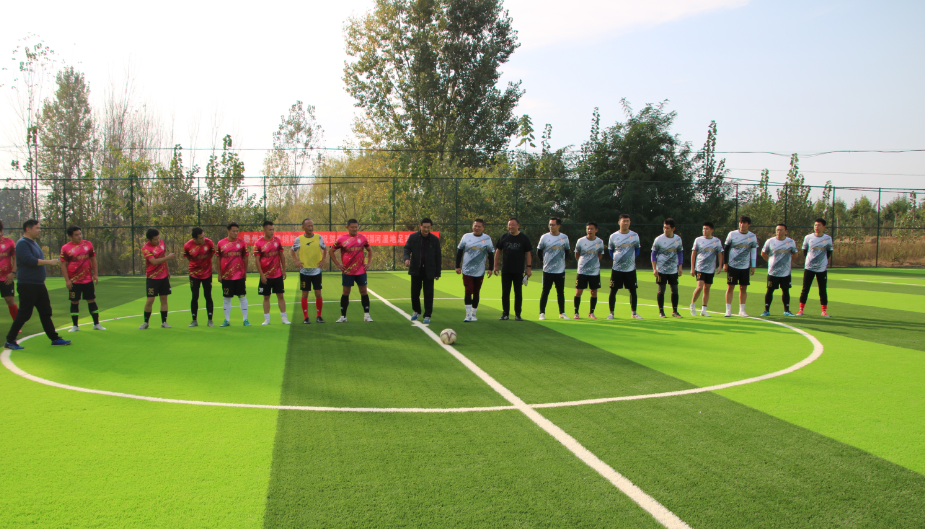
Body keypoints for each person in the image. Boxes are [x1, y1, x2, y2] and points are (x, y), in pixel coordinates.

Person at [4, 220, 70, 349]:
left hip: (39, 284)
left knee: (45, 312)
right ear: (28, 229)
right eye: (37, 228)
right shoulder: (22, 243)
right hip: (28, 284)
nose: (40, 230)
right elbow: (30, 260)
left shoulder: (33, 243)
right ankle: (10, 340)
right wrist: (49, 262)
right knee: (25, 314)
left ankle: (54, 338)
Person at [59, 226, 105, 332]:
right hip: (74, 280)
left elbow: (93, 259)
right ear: (70, 237)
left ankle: (96, 324)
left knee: (91, 300)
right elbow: (63, 265)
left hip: (88, 279)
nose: (79, 236)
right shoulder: (65, 248)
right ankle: (75, 326)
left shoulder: (88, 244)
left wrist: (95, 274)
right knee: (74, 301)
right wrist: (67, 280)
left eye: (80, 233)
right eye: (76, 235)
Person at [330, 219, 374, 323]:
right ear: (347, 227)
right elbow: (331, 251)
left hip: (361, 270)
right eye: (352, 227)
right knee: (346, 292)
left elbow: (369, 250)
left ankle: (367, 316)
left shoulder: (362, 238)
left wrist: (368, 263)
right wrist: (338, 264)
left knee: (363, 292)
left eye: (356, 227)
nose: (354, 229)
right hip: (347, 271)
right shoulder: (341, 239)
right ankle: (343, 316)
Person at [403, 218, 442, 324]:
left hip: (429, 270)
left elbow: (438, 256)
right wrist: (406, 259)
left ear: (431, 227)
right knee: (415, 293)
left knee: (428, 293)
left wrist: (438, 272)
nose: (426, 229)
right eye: (424, 227)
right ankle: (417, 311)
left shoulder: (434, 239)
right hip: (416, 269)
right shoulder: (413, 237)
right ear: (420, 226)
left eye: (428, 227)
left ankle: (427, 315)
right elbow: (407, 249)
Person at [493, 217, 532, 321]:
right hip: (506, 270)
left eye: (513, 224)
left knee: (518, 293)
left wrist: (528, 268)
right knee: (505, 292)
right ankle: (505, 314)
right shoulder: (504, 237)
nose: (510, 227)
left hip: (518, 270)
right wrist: (495, 266)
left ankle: (518, 314)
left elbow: (528, 253)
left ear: (518, 226)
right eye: (509, 225)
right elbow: (498, 251)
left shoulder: (524, 238)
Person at [456, 219, 494, 322]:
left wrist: (490, 268)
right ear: (472, 226)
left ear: (483, 228)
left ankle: (473, 314)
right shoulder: (466, 236)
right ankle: (467, 314)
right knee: (468, 290)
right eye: (475, 226)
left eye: (479, 226)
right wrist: (457, 266)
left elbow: (491, 253)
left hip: (479, 270)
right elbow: (460, 250)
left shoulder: (487, 238)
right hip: (467, 269)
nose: (477, 228)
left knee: (476, 291)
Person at [290, 218, 326, 324]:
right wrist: (296, 261)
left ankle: (319, 316)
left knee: (318, 293)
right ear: (303, 227)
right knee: (305, 294)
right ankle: (306, 317)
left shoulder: (318, 237)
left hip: (316, 270)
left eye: (312, 225)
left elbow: (325, 248)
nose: (311, 228)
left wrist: (323, 260)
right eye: (308, 226)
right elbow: (292, 250)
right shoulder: (299, 239)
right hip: (304, 271)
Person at [607, 214, 642, 320]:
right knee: (613, 290)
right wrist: (616, 259)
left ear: (630, 222)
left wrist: (631, 259)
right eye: (623, 221)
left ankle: (634, 313)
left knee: (633, 291)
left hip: (630, 269)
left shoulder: (634, 235)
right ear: (619, 222)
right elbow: (610, 250)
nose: (625, 223)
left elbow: (637, 249)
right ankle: (611, 313)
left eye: (627, 221)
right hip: (617, 269)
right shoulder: (613, 236)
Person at [255, 220, 290, 325]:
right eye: (270, 230)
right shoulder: (258, 243)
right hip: (266, 276)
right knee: (266, 297)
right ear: (264, 230)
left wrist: (283, 270)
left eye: (273, 229)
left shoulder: (277, 241)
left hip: (277, 274)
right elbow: (257, 260)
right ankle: (267, 319)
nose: (272, 231)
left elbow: (281, 256)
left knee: (280, 296)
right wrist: (262, 275)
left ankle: (284, 318)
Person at [139, 228, 175, 329]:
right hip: (152, 278)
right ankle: (146, 322)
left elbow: (163, 257)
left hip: (163, 276)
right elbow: (154, 262)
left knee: (164, 299)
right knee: (150, 300)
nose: (158, 240)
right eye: (155, 239)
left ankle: (164, 322)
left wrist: (167, 271)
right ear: (149, 240)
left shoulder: (161, 243)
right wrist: (168, 257)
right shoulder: (146, 248)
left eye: (158, 238)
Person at [761, 223, 800, 317]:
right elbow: (763, 253)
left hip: (785, 272)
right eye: (777, 230)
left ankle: (787, 310)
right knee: (770, 290)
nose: (779, 232)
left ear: (786, 231)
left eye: (781, 230)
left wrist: (787, 262)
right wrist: (770, 262)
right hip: (772, 272)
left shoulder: (790, 242)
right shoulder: (770, 241)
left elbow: (795, 254)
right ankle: (766, 310)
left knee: (786, 290)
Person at [216, 222, 251, 327]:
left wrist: (244, 272)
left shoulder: (242, 243)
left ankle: (245, 320)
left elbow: (246, 258)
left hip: (239, 275)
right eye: (233, 231)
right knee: (226, 298)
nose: (236, 233)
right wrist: (219, 274)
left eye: (237, 231)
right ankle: (227, 320)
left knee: (242, 297)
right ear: (228, 231)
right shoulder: (221, 243)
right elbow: (218, 259)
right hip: (226, 276)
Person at [798, 218, 834, 317]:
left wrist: (822, 261)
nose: (816, 227)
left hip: (821, 268)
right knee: (805, 289)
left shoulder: (828, 238)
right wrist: (811, 261)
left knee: (822, 290)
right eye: (815, 225)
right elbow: (805, 251)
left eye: (819, 225)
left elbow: (829, 251)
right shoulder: (808, 237)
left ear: (824, 227)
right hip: (809, 267)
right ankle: (801, 310)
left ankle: (824, 311)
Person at [724, 215, 758, 317]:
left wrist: (753, 265)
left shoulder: (752, 236)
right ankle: (728, 310)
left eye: (744, 223)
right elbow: (726, 249)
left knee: (743, 288)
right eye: (740, 223)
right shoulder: (732, 234)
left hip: (745, 266)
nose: (742, 225)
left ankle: (742, 310)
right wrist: (725, 263)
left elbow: (753, 251)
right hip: (732, 265)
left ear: (749, 224)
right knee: (730, 287)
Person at [536, 217, 569, 320]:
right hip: (547, 270)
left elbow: (567, 251)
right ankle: (542, 313)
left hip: (560, 270)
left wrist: (562, 262)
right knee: (545, 291)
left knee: (560, 292)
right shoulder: (544, 237)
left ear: (558, 225)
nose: (551, 226)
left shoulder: (564, 237)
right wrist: (544, 261)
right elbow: (539, 251)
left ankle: (562, 313)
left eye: (553, 224)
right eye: (550, 224)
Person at [182, 227, 216, 327]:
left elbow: (211, 255)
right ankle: (194, 320)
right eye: (201, 238)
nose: (203, 239)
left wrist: (205, 265)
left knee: (208, 295)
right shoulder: (187, 245)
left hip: (207, 273)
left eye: (203, 236)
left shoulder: (209, 243)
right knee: (195, 296)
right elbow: (188, 257)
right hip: (194, 274)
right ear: (195, 239)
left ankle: (210, 320)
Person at [689, 222, 724, 317]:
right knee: (699, 287)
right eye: (703, 228)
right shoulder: (698, 240)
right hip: (700, 267)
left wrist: (720, 266)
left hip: (711, 268)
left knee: (707, 288)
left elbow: (720, 253)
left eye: (707, 228)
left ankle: (704, 310)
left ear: (712, 230)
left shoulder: (716, 241)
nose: (704, 230)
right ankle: (692, 304)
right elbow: (693, 254)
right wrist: (692, 268)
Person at [651, 218, 684, 318]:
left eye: (667, 228)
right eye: (664, 227)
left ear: (673, 229)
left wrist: (680, 267)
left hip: (673, 269)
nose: (665, 229)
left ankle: (675, 311)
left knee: (675, 290)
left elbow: (680, 253)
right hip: (661, 269)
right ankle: (661, 312)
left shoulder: (677, 239)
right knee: (661, 290)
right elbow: (653, 254)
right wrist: (654, 268)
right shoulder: (658, 239)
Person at [573, 221, 605, 319]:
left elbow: (600, 255)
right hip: (582, 271)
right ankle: (576, 312)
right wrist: (582, 264)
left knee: (593, 292)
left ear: (596, 230)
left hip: (594, 272)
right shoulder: (580, 241)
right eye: (588, 229)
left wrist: (593, 264)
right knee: (578, 291)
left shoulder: (599, 242)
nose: (589, 230)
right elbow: (577, 254)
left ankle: (591, 312)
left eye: (591, 228)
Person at [0, 220, 19, 325]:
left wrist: (12, 273)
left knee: (10, 301)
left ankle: (17, 325)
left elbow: (15, 258)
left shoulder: (9, 242)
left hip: (6, 277)